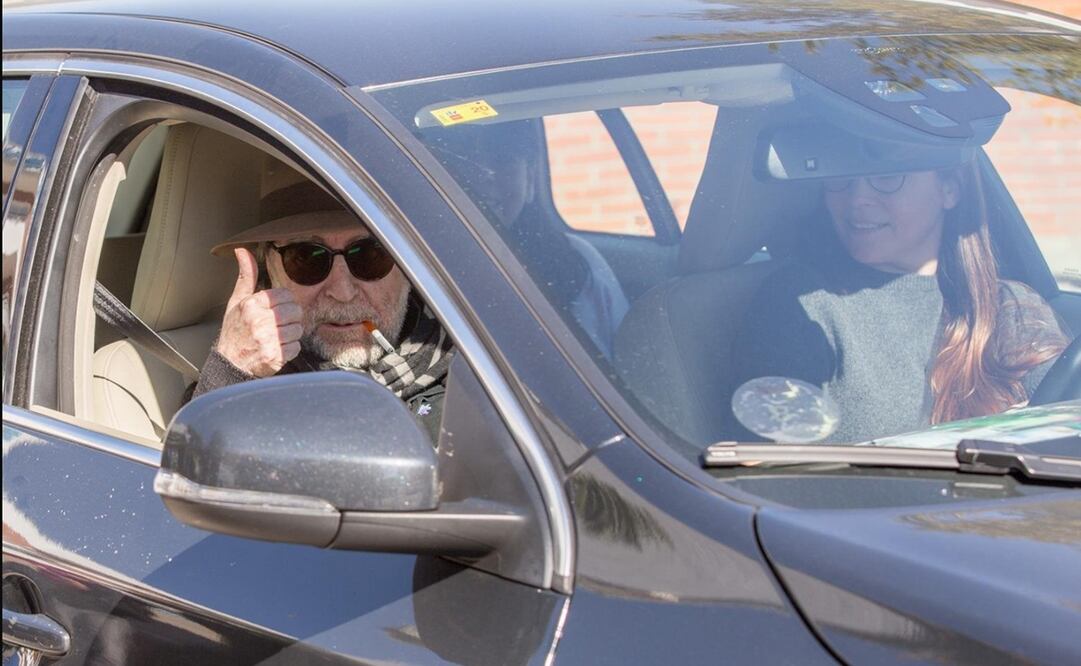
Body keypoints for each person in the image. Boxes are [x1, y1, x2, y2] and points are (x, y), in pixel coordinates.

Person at [729, 158, 1070, 443]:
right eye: (841, 179)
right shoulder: (804, 305)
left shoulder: (1009, 308)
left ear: (949, 188)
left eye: (886, 176)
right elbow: (775, 475)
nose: (856, 199)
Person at [188, 179, 454, 441]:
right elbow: (196, 461)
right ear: (270, 265)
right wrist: (233, 367)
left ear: (409, 267)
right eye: (307, 258)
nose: (343, 293)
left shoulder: (475, 354)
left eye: (371, 255)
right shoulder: (248, 389)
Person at [430, 119, 628, 358]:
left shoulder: (579, 260)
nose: (486, 175)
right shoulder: (418, 260)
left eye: (502, 160)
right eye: (466, 161)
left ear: (531, 178)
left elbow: (626, 355)